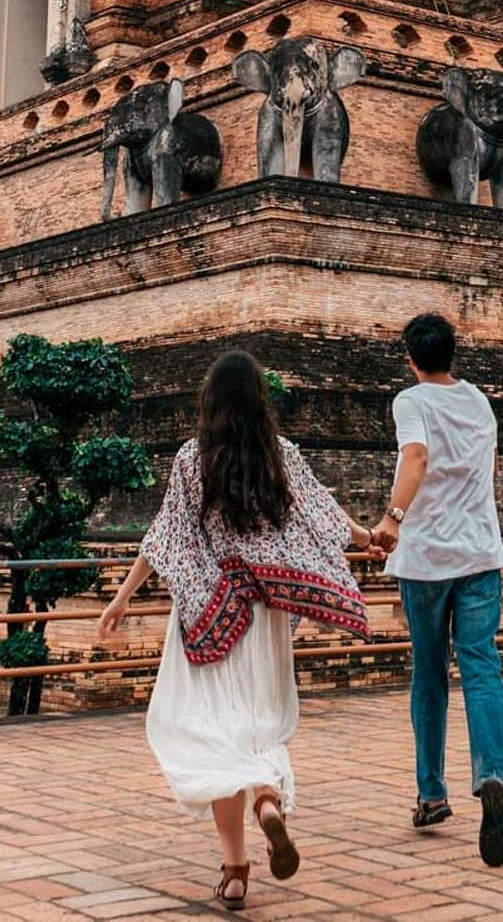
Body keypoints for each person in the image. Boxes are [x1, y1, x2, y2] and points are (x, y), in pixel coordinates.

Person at [98, 348, 373, 911]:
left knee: (212, 732)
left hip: (209, 615)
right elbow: (326, 515)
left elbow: (162, 539)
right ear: (258, 399)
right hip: (266, 619)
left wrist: (121, 600)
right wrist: (370, 535)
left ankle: (235, 869)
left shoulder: (190, 460)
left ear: (211, 400)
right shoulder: (282, 456)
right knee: (258, 724)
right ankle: (267, 800)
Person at [370, 311, 503, 868]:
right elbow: (487, 470)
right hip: (480, 553)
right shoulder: (479, 401)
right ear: (452, 354)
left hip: (427, 557)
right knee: (481, 668)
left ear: (410, 357)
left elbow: (417, 456)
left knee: (429, 674)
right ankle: (493, 776)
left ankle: (431, 795)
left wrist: (392, 518)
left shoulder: (411, 402)